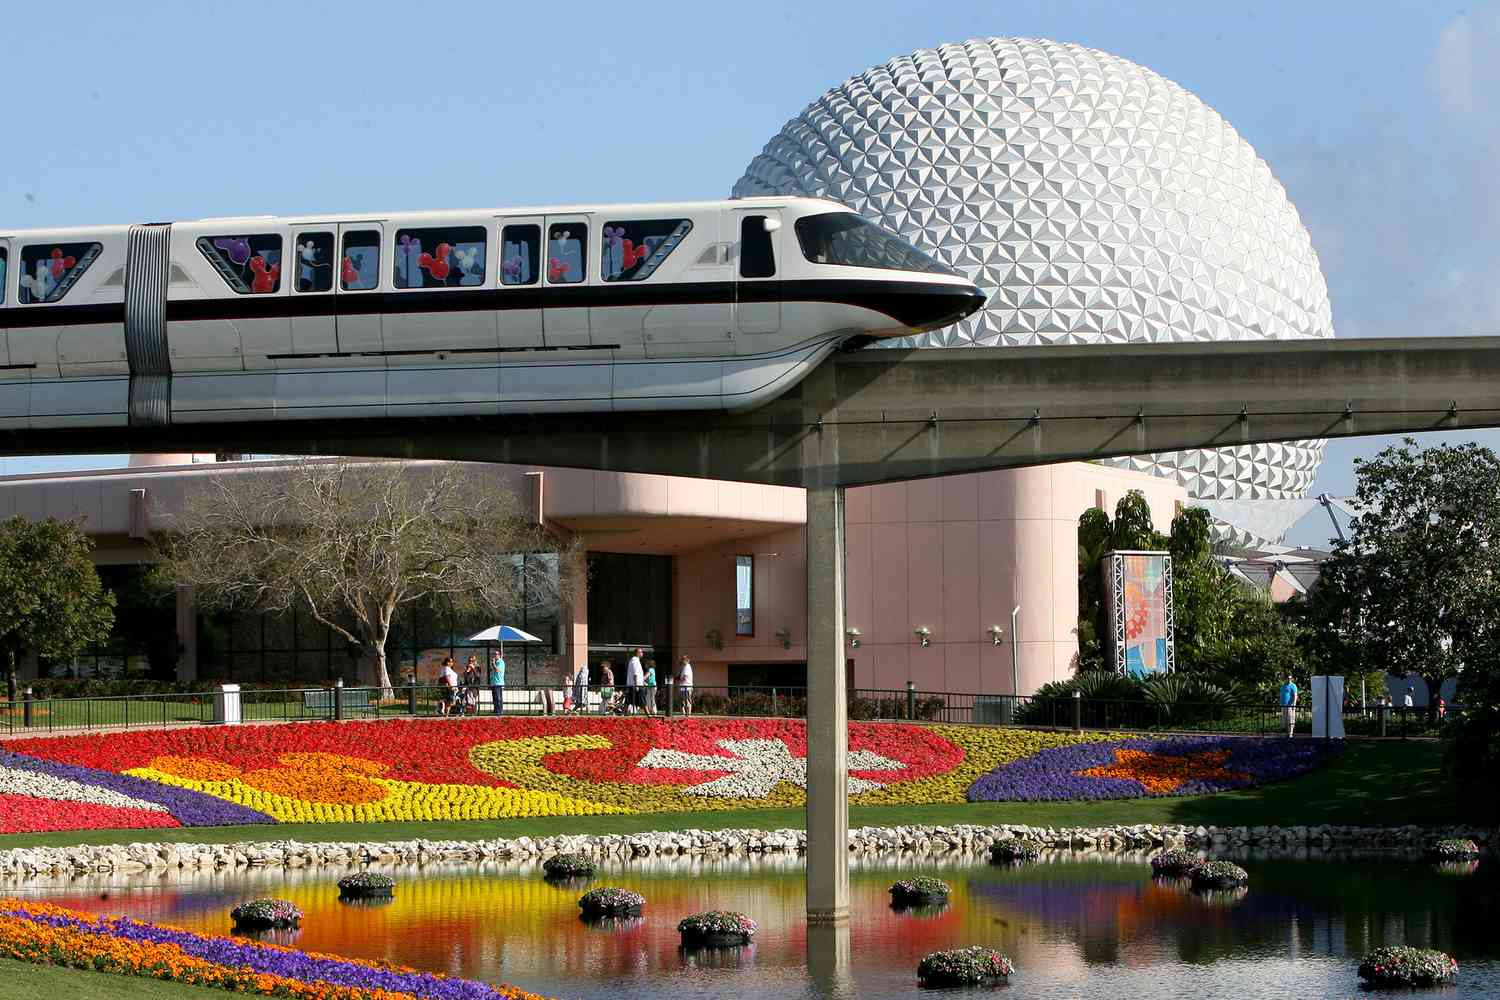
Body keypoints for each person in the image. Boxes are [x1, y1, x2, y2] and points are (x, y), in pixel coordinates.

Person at [625, 648, 644, 715]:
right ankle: (648, 714)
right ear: (637, 653)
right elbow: (635, 674)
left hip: (632, 684)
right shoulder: (635, 661)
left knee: (628, 700)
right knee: (642, 700)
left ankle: (625, 713)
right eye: (641, 652)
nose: (642, 653)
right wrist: (636, 685)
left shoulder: (633, 660)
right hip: (636, 685)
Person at [1279, 674, 1298, 738]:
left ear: (1292, 679)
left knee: (1291, 719)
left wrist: (1294, 705)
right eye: (1288, 678)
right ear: (1286, 679)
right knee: (1285, 720)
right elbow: (1281, 695)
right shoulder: (1283, 686)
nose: (1289, 679)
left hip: (1290, 705)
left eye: (1290, 678)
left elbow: (1295, 696)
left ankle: (1290, 733)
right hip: (1283, 706)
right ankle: (1286, 733)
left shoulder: (1293, 686)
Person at [488, 650, 506, 716]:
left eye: (496, 654)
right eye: (494, 654)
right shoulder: (495, 662)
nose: (495, 655)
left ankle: (500, 711)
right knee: (495, 698)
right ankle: (496, 711)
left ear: (499, 655)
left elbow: (497, 670)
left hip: (499, 683)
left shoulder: (501, 662)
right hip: (494, 683)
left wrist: (493, 664)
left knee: (498, 698)